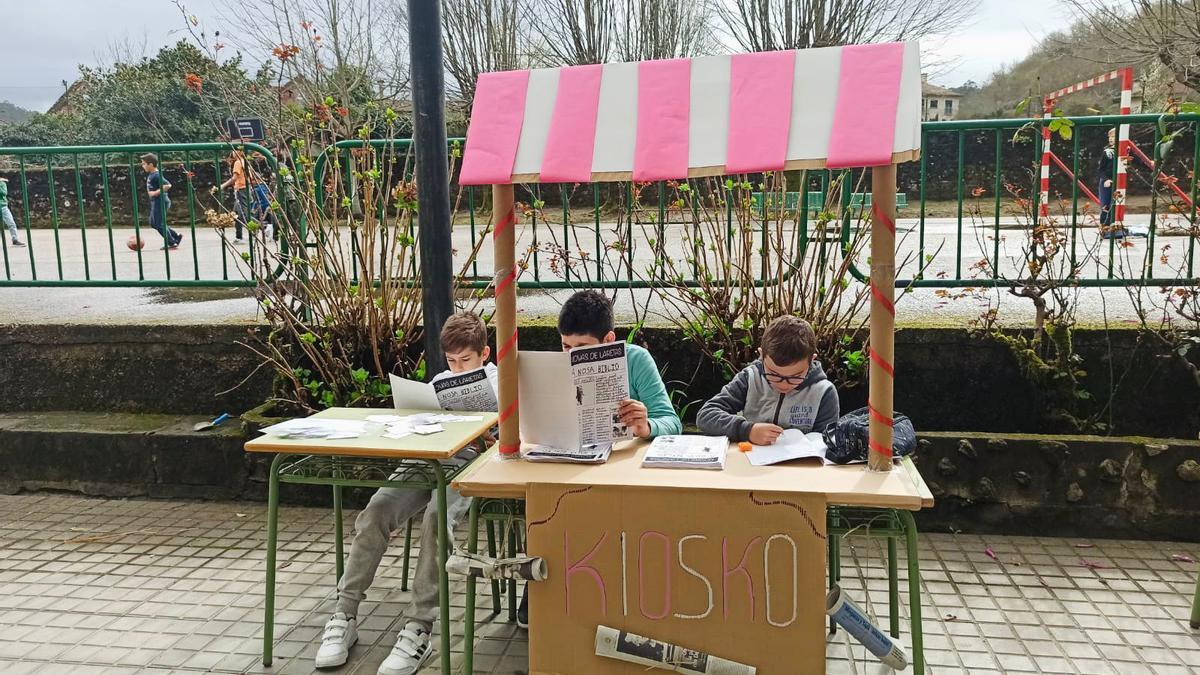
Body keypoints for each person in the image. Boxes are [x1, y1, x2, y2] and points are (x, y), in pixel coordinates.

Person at [317, 311, 497, 675]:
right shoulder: (441, 382)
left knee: (436, 516)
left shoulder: (499, 381)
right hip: (427, 455)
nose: (457, 367)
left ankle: (420, 627)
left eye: (466, 360)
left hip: (472, 461)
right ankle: (344, 614)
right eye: (451, 360)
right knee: (376, 510)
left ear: (484, 354)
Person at [514, 290, 683, 625]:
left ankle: (604, 589)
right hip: (565, 459)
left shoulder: (636, 360)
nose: (572, 355)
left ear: (609, 339)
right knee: (545, 501)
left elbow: (673, 421)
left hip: (621, 469)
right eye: (565, 347)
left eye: (583, 348)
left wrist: (645, 425)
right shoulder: (554, 367)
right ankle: (539, 586)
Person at [696, 315, 839, 445]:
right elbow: (706, 416)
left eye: (795, 376)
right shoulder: (749, 378)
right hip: (751, 463)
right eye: (774, 374)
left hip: (800, 469)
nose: (783, 383)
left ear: (811, 360)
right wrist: (747, 430)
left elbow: (828, 441)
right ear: (761, 355)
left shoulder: (824, 391)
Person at [139, 154, 182, 250]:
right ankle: (176, 236)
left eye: (144, 164)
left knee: (159, 223)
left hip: (160, 201)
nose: (142, 166)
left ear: (151, 164)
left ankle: (172, 243)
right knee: (153, 223)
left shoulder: (157, 175)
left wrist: (155, 193)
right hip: (156, 201)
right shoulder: (152, 174)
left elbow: (168, 185)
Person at [1096, 128, 1126, 238]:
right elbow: (1100, 169)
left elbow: (1136, 160)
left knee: (1116, 204)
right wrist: (1106, 179)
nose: (1111, 139)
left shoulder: (1125, 150)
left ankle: (1115, 226)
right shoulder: (1107, 152)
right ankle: (1104, 229)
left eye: (1114, 137)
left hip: (1118, 181)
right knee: (1106, 205)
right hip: (1107, 182)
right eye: (1110, 137)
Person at [219, 148, 249, 244]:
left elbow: (234, 178)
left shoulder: (238, 162)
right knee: (236, 214)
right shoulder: (244, 161)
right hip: (243, 189)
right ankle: (238, 237)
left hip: (241, 189)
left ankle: (263, 227)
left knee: (241, 214)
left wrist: (223, 185)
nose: (232, 152)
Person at [0, 177, 25, 248]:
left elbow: (4, 193)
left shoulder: (2, 183)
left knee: (11, 223)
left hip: (3, 207)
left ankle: (15, 240)